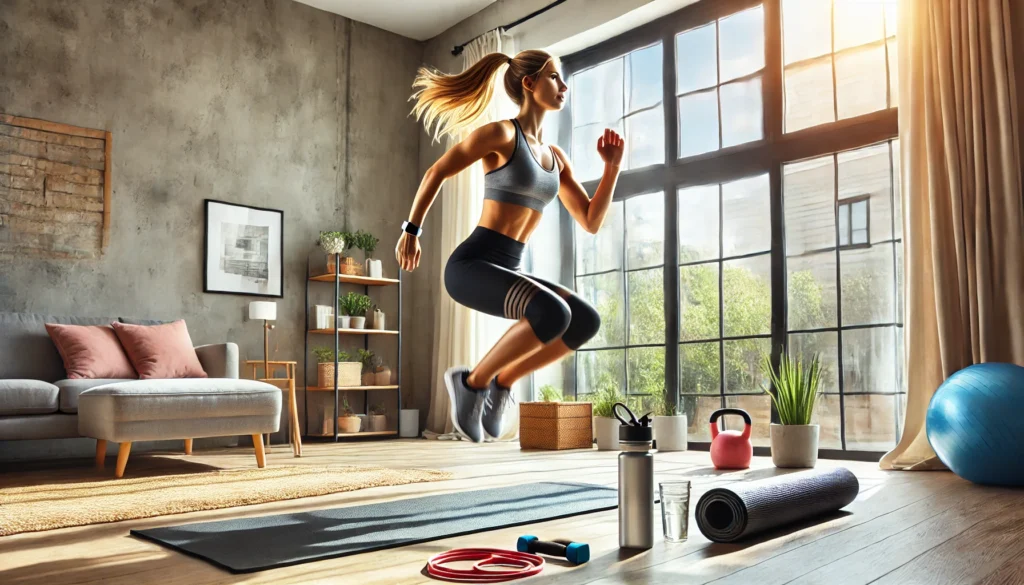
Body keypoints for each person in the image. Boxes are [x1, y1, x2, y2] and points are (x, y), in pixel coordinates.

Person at [396, 49, 624, 442]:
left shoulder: (556, 158)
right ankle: (471, 383)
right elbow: (438, 171)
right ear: (530, 84)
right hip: (471, 267)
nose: (564, 86)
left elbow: (589, 221)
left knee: (584, 319)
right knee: (553, 313)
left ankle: (502, 383)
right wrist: (411, 230)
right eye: (554, 77)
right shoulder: (502, 134)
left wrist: (612, 168)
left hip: (509, 269)